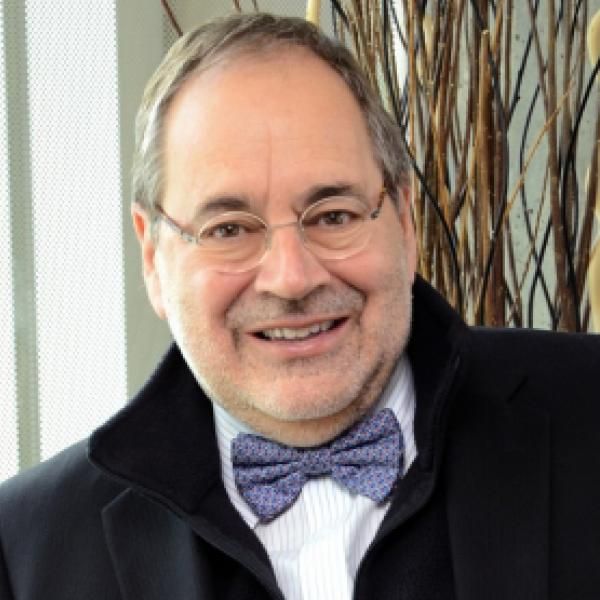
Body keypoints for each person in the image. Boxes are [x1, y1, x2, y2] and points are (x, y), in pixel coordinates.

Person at [1, 12, 599, 600]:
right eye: (229, 228)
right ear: (155, 257)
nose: (290, 278)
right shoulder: (24, 549)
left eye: (333, 215)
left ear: (406, 221)